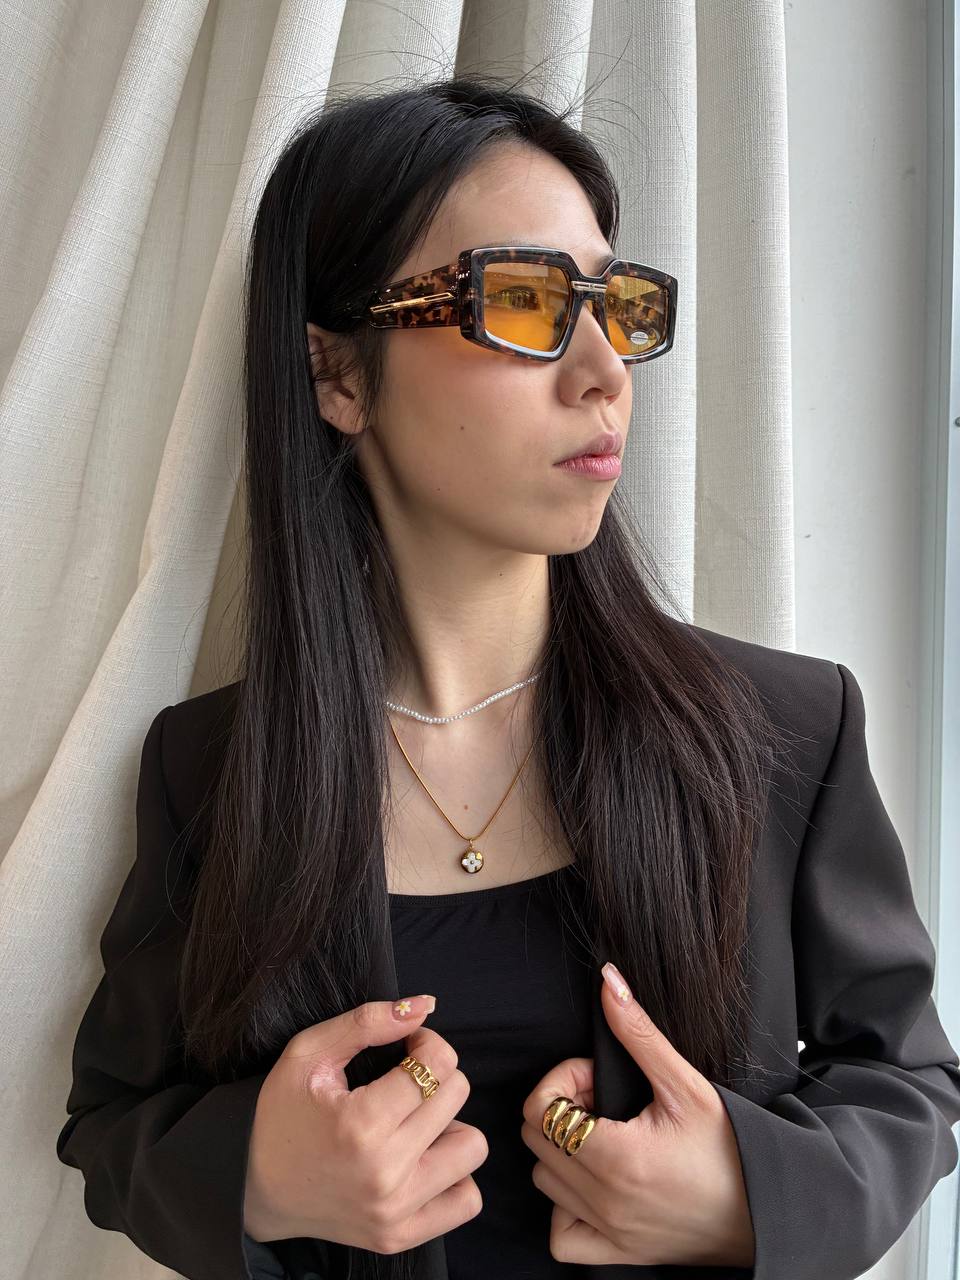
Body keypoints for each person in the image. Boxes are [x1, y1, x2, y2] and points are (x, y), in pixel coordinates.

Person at [56, 73, 960, 1280]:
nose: (604, 370)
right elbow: (115, 1119)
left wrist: (746, 1195)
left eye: (615, 305)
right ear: (337, 374)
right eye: (523, 301)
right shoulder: (211, 769)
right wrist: (261, 1176)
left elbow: (909, 1080)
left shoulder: (785, 730)